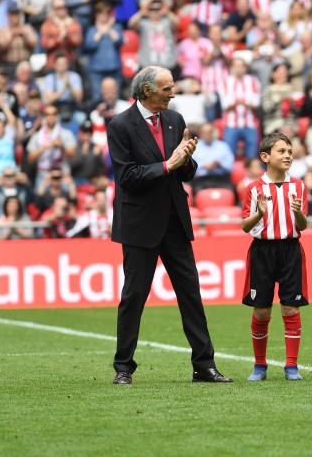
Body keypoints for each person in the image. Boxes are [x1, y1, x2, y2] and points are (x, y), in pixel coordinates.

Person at [107, 66, 232, 385]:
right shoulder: (120, 125)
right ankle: (123, 367)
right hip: (139, 224)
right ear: (147, 91)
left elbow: (184, 171)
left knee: (191, 293)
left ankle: (204, 365)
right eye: (167, 88)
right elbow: (127, 178)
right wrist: (169, 164)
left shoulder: (175, 120)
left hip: (175, 221)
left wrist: (186, 158)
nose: (173, 93)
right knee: (134, 296)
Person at [241, 132, 309, 382]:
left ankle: (292, 366)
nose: (288, 155)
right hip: (263, 252)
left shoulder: (299, 186)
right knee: (262, 311)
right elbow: (245, 226)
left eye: (289, 151)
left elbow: (303, 224)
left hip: (291, 250)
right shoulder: (253, 188)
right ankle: (260, 365)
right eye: (281, 151)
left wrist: (299, 213)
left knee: (290, 307)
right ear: (265, 157)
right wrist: (259, 214)